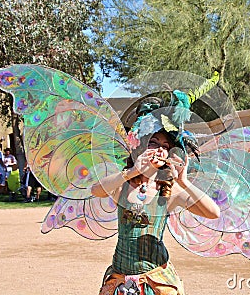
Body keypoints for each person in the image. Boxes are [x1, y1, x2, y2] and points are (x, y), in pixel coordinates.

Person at [91, 98, 220, 295]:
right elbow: (96, 190)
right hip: (120, 280)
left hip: (155, 282)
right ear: (141, 146)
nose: (160, 149)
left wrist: (184, 182)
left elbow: (213, 212)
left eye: (166, 146)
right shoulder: (123, 185)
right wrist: (132, 171)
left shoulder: (168, 191)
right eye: (154, 142)